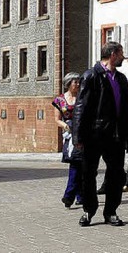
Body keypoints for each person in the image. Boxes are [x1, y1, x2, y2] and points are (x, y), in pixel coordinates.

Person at [72, 41, 128, 227]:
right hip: (94, 134)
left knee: (116, 174)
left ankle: (111, 212)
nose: (124, 57)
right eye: (121, 53)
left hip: (116, 135)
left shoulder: (121, 78)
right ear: (113, 54)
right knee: (88, 174)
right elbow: (80, 108)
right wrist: (77, 136)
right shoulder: (91, 76)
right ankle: (88, 210)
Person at [52, 72, 82, 208]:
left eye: (78, 82)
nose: (77, 84)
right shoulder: (60, 100)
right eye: (74, 82)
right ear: (68, 84)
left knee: (81, 165)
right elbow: (57, 119)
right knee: (75, 163)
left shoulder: (83, 97)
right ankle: (74, 195)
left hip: (82, 133)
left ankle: (74, 195)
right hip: (70, 135)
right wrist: (65, 125)